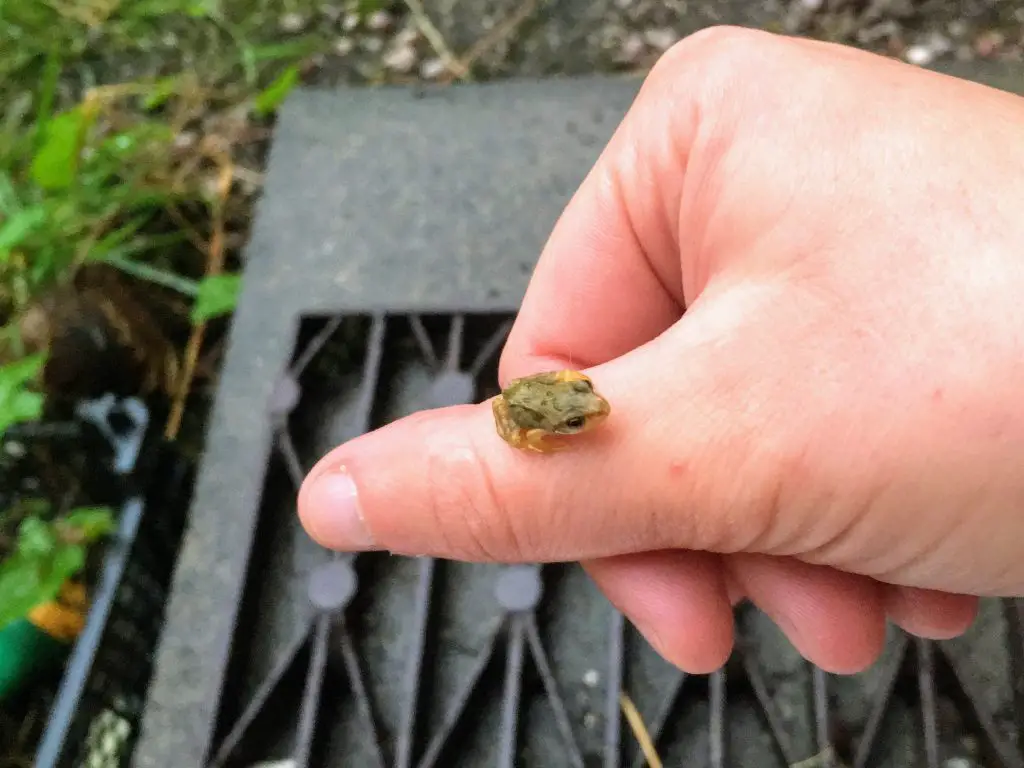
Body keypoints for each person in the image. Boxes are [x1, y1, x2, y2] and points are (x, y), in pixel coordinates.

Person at [297, 26, 1024, 676]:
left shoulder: (586, 397)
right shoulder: (545, 418)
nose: (595, 409)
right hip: (520, 414)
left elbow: (576, 395)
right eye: (581, 417)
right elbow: (516, 416)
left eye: (583, 406)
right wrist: (542, 442)